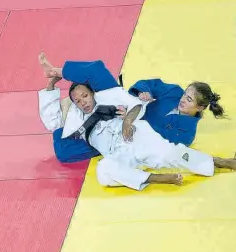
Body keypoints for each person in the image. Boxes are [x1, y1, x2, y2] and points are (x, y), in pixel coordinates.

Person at [38, 53, 236, 190]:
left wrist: (127, 120)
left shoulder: (186, 131)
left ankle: (223, 162)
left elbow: (158, 141)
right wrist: (143, 92)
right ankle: (152, 179)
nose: (183, 99)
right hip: (117, 133)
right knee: (89, 164)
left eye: (190, 100)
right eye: (186, 95)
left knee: (170, 153)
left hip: (135, 131)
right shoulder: (76, 113)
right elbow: (150, 86)